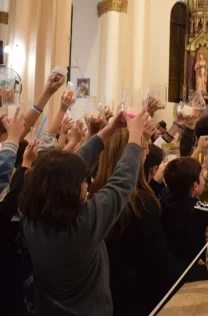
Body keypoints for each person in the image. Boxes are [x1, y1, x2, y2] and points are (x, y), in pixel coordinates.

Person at [20, 109, 149, 316]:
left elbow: (64, 171)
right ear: (69, 188)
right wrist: (135, 137)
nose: (86, 184)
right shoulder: (84, 223)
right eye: (82, 181)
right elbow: (122, 182)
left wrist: (109, 129)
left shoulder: (31, 216)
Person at [91, 129, 208, 316]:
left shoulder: (94, 192)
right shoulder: (140, 202)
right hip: (137, 297)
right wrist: (203, 272)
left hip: (104, 294)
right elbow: (160, 263)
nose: (147, 152)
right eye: (144, 147)